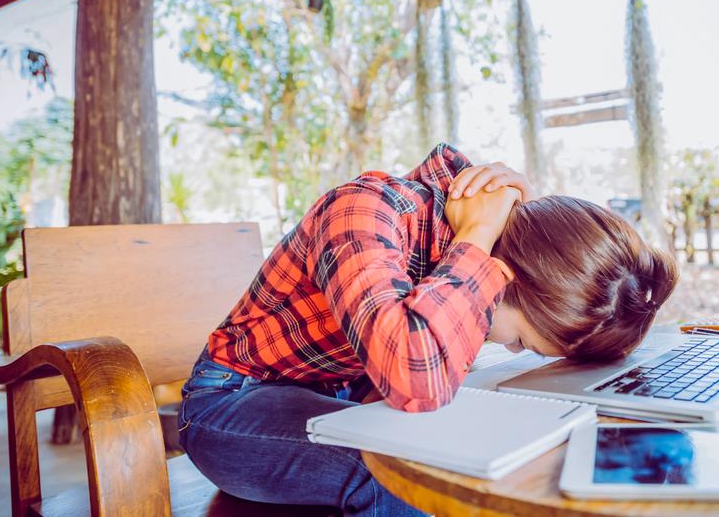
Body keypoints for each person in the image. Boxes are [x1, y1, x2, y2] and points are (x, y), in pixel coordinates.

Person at [178, 143, 678, 515]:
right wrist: (479, 236)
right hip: (233, 404)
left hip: (353, 397)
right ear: (507, 273)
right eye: (522, 340)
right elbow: (414, 380)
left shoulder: (464, 236)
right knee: (395, 471)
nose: (504, 344)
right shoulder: (363, 210)